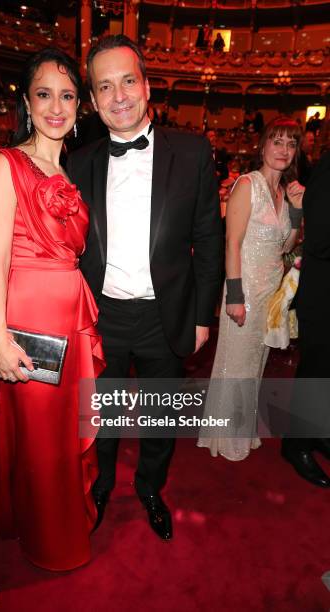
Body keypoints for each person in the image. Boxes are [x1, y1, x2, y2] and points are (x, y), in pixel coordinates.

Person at [67, 35, 223, 540]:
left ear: (147, 85)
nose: (119, 96)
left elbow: (208, 239)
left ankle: (151, 488)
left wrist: (203, 318)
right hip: (101, 314)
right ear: (93, 101)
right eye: (105, 87)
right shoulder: (80, 162)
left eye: (127, 81)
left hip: (167, 314)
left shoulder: (193, 151)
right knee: (103, 417)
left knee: (161, 416)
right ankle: (101, 487)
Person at [0, 48, 105, 571]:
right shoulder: (5, 164)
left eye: (68, 95)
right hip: (28, 320)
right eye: (44, 94)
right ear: (27, 103)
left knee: (65, 437)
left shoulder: (71, 170)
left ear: (80, 105)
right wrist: (2, 340)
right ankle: (47, 540)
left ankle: (64, 525)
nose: (56, 106)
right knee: (38, 441)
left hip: (73, 319)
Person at [197, 116, 303, 461]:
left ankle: (241, 430)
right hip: (245, 291)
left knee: (256, 365)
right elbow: (232, 242)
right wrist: (236, 296)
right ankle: (227, 438)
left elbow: (286, 246)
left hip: (271, 295)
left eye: (291, 144)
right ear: (263, 145)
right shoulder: (248, 184)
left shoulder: (284, 194)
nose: (284, 150)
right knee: (236, 365)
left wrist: (299, 214)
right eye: (278, 141)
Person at [281, 150, 330, 487]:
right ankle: (295, 444)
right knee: (316, 369)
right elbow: (322, 239)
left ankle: (316, 433)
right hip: (323, 292)